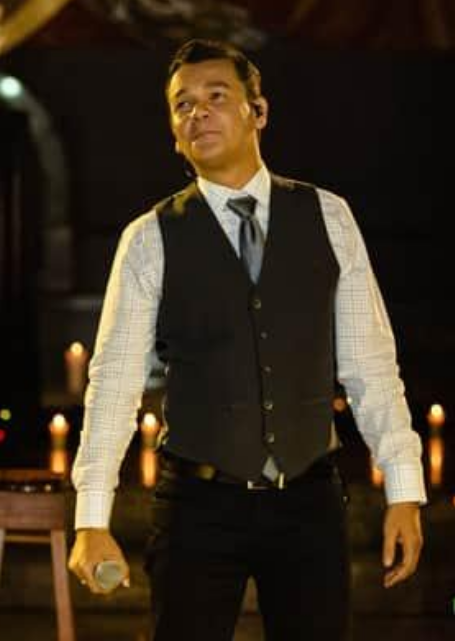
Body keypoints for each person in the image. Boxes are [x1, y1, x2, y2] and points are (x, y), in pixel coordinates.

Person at [67, 39, 425, 640]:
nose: (197, 113)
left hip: (309, 501)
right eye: (182, 105)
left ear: (258, 111)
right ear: (173, 133)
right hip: (198, 508)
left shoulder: (329, 216)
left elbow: (371, 367)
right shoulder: (149, 238)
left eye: (216, 97)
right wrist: (91, 519)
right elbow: (114, 384)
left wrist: (405, 491)